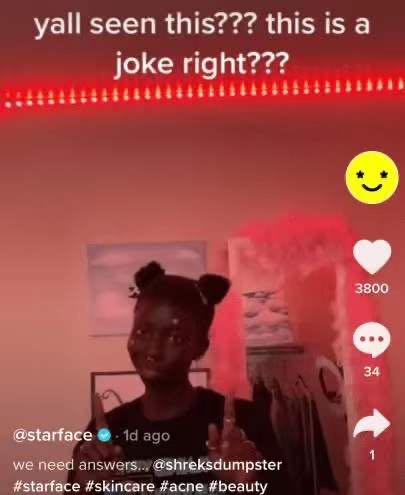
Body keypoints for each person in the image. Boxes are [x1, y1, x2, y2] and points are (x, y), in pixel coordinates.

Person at [68, 262, 289, 494]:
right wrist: (82, 489)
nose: (153, 350)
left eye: (175, 337)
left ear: (201, 347)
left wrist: (248, 485)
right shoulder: (105, 433)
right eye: (143, 332)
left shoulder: (244, 425)